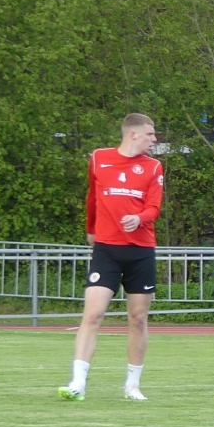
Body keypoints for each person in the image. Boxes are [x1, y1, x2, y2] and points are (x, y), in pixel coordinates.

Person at [59, 113, 164, 402]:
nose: (154, 139)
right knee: (93, 314)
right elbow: (92, 197)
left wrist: (139, 218)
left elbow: (154, 207)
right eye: (150, 134)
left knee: (138, 319)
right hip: (106, 249)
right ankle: (77, 382)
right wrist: (91, 229)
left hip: (141, 250)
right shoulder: (99, 158)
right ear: (133, 134)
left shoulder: (153, 166)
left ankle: (132, 385)